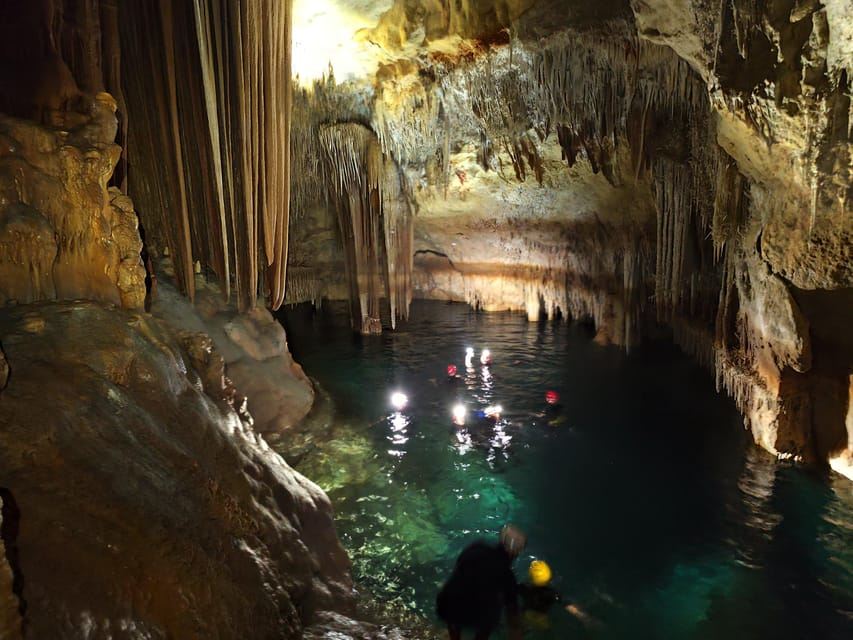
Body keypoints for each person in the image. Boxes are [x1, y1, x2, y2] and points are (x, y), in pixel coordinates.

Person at [436, 524, 526, 639]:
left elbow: (458, 569)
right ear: (516, 553)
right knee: (491, 616)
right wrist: (516, 631)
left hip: (447, 605)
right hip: (477, 616)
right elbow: (512, 612)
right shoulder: (508, 577)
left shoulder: (476, 547)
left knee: (454, 595)